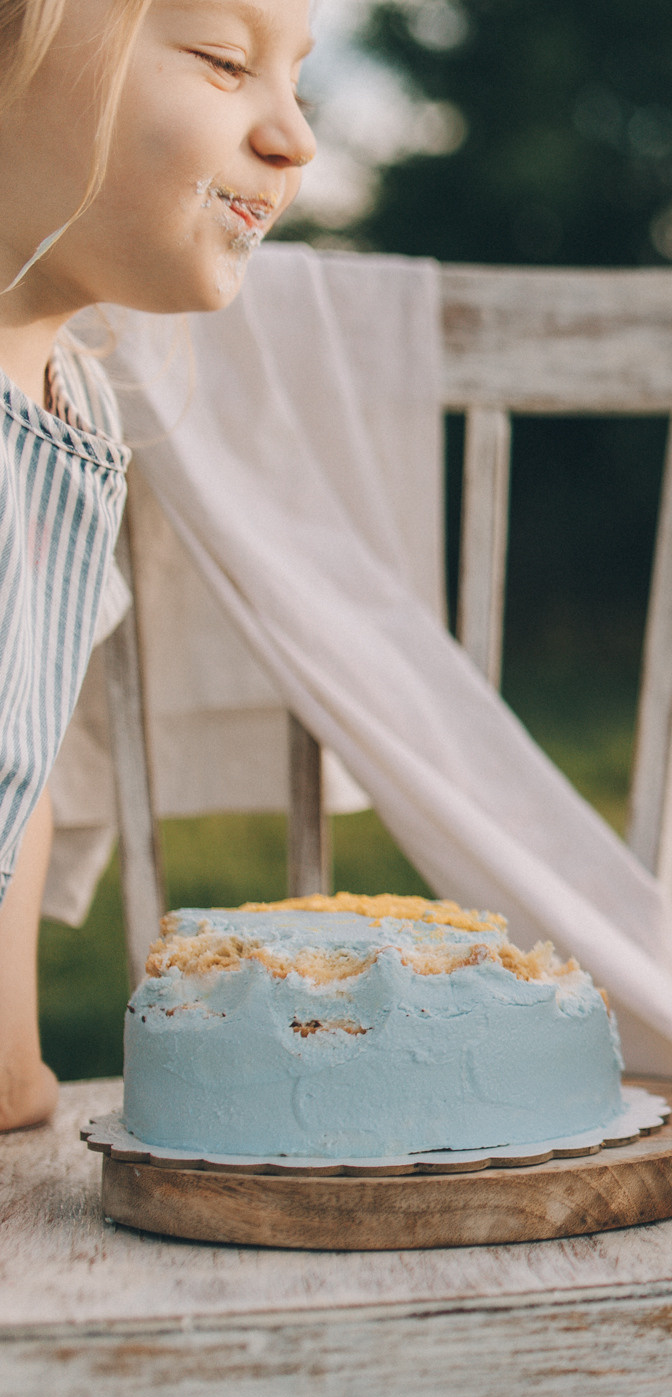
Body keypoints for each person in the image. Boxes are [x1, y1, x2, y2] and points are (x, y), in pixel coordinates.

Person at [0, 0, 314, 1128]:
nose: (297, 138)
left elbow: (13, 780)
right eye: (229, 64)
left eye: (299, 80)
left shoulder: (69, 417)